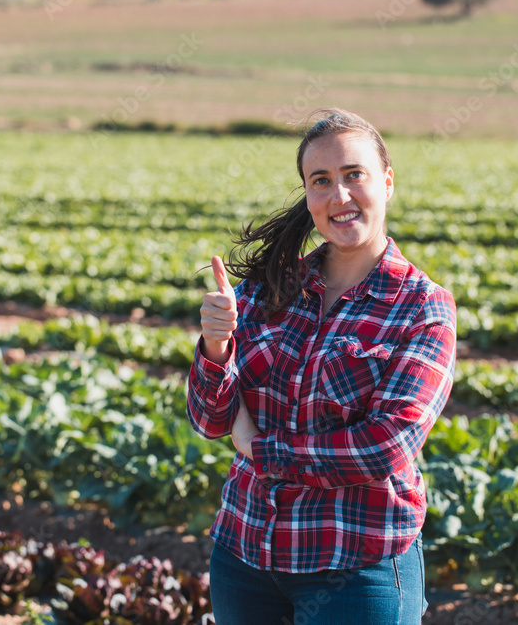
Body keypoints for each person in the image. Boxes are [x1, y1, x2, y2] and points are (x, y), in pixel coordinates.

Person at [187, 108, 457, 625]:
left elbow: (386, 445)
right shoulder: (268, 289)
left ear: (388, 181)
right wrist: (216, 347)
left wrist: (259, 449)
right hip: (246, 552)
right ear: (308, 194)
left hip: (355, 567)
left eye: (354, 175)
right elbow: (208, 419)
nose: (340, 196)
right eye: (321, 181)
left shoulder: (422, 308)